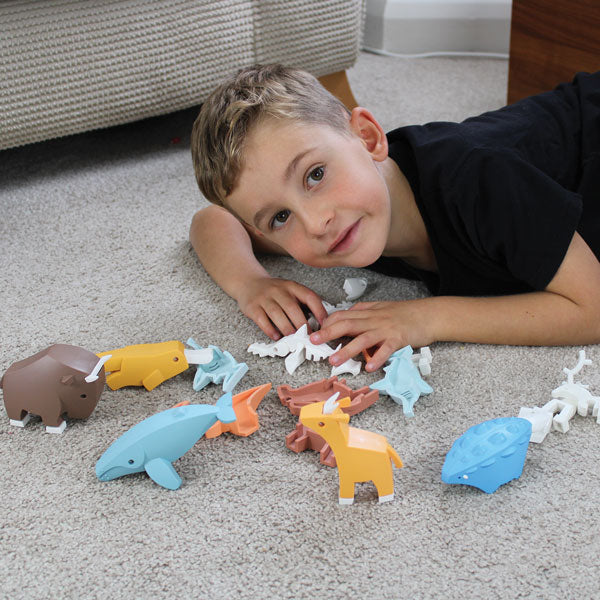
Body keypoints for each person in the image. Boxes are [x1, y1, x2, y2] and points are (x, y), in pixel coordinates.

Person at [189, 64, 600, 372]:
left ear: (368, 138)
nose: (315, 224)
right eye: (281, 217)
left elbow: (593, 308)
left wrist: (427, 317)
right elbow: (212, 221)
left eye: (315, 175)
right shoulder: (348, 214)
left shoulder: (479, 179)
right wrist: (250, 284)